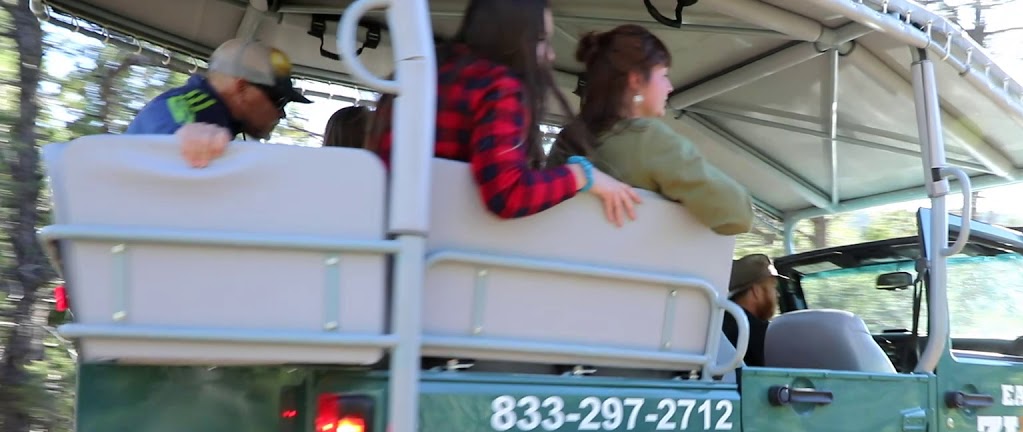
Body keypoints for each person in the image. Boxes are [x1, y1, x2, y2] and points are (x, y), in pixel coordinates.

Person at [364, 0, 641, 227]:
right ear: (513, 36)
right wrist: (581, 175)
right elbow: (508, 194)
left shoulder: (419, 71)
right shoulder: (500, 86)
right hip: (445, 249)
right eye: (541, 39)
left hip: (378, 232)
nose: (552, 55)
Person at [549, 24, 754, 236]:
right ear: (636, 79)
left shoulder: (568, 139)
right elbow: (738, 216)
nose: (670, 87)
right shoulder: (647, 138)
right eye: (664, 75)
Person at [126, 39, 311, 168]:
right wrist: (184, 132)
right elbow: (164, 116)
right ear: (242, 88)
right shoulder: (194, 108)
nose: (282, 114)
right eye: (279, 101)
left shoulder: (222, 121)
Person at [724, 253, 780, 366]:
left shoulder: (717, 324)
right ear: (757, 291)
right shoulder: (764, 335)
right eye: (773, 287)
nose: (777, 294)